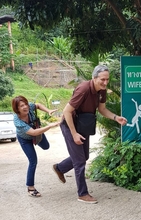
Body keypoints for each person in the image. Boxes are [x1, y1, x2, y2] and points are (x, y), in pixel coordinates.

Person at [52, 64, 127, 204]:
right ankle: (82, 194)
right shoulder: (83, 89)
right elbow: (66, 112)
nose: (105, 82)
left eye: (107, 79)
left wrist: (116, 118)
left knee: (84, 156)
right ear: (94, 78)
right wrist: (74, 134)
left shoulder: (102, 91)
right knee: (80, 161)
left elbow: (102, 109)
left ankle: (59, 168)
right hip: (70, 125)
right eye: (102, 79)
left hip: (83, 125)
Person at [12, 95, 59, 197]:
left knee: (46, 147)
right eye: (21, 106)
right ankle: (30, 187)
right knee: (33, 161)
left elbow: (37, 105)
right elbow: (32, 132)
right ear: (17, 109)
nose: (25, 107)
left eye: (25, 104)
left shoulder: (29, 107)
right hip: (25, 139)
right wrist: (49, 126)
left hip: (37, 133)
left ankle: (38, 142)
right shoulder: (17, 121)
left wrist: (48, 110)